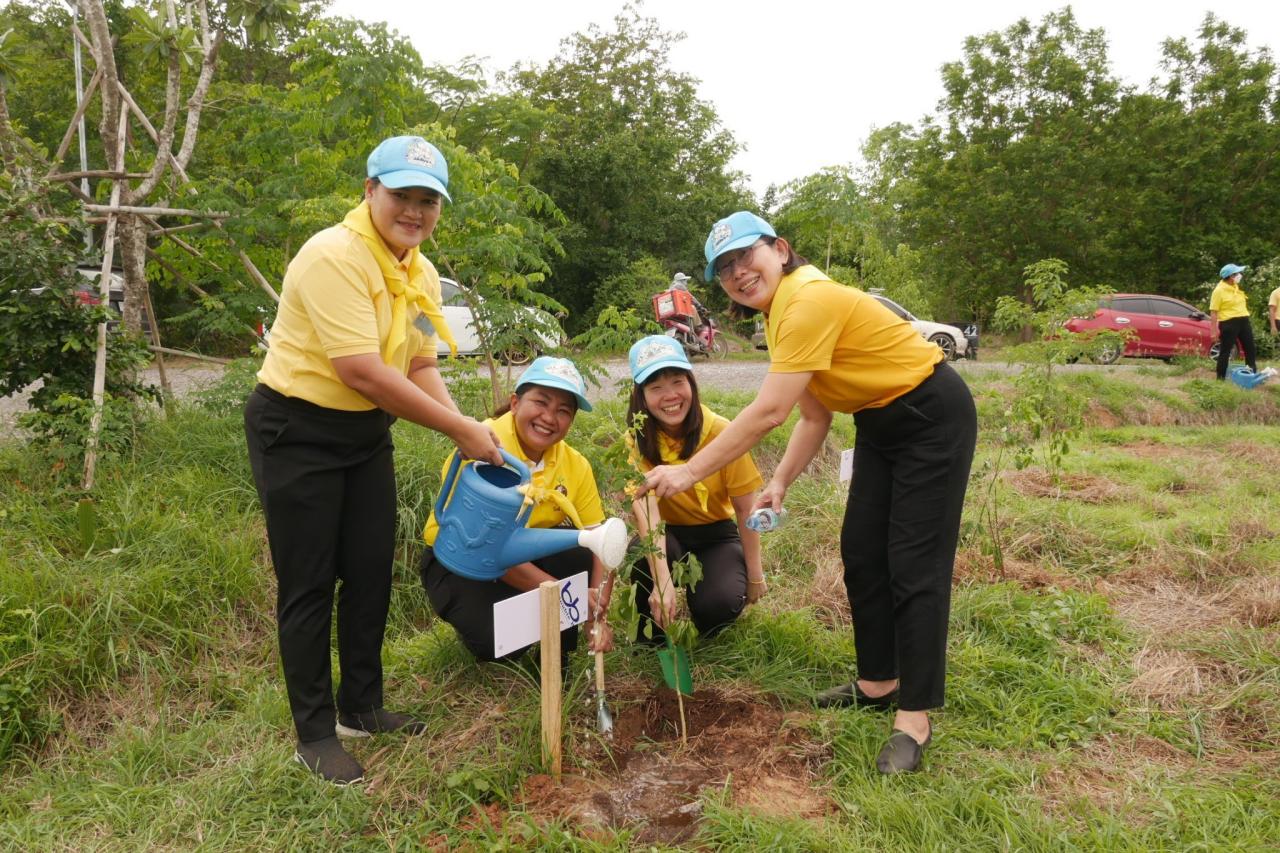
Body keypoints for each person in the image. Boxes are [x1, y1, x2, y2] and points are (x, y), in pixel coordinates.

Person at [641, 211, 977, 775]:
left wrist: (690, 471)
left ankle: (914, 718)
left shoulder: (806, 299)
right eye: (724, 270)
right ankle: (877, 682)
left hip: (931, 416)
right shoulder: (777, 316)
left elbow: (769, 411)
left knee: (913, 564)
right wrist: (779, 482)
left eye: (746, 256)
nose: (738, 274)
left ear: (780, 248)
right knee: (863, 554)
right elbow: (814, 416)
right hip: (879, 424)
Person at [244, 135, 503, 785]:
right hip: (296, 428)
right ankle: (314, 733)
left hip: (364, 434)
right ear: (369, 191)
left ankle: (361, 705)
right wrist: (460, 428)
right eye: (400, 195)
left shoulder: (417, 272)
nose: (413, 211)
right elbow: (361, 370)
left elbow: (417, 364)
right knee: (309, 582)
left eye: (427, 201)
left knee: (368, 571)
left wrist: (463, 429)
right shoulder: (333, 256)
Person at [419, 357, 614, 665]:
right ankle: (528, 622)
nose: (550, 417)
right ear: (514, 403)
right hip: (459, 558)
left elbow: (599, 537)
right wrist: (563, 595)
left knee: (581, 553)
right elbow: (487, 548)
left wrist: (597, 603)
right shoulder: (481, 446)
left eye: (563, 410)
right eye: (541, 402)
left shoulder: (575, 464)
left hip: (521, 553)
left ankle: (557, 655)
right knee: (497, 642)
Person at [625, 335, 766, 643]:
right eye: (656, 387)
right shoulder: (637, 439)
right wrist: (662, 581)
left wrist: (756, 575)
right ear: (642, 396)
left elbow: (745, 509)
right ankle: (652, 638)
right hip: (666, 532)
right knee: (640, 557)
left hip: (716, 534)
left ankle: (705, 624)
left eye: (677, 381)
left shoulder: (722, 433)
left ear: (691, 382)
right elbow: (645, 510)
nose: (670, 395)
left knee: (720, 603)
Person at [1210, 263, 1258, 380]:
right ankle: (1220, 378)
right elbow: (1214, 311)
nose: (1240, 275)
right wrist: (1214, 330)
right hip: (1229, 323)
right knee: (1225, 351)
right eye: (1237, 273)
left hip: (1244, 321)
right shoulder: (1219, 291)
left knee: (1250, 348)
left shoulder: (1235, 287)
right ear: (1231, 276)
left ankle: (1251, 375)